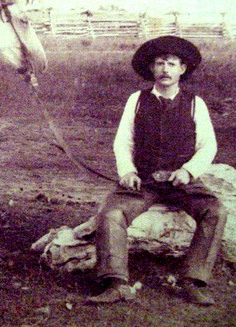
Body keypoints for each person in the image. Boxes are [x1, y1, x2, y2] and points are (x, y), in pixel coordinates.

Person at [87, 36, 227, 306]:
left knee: (215, 210)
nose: (165, 69)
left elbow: (208, 146)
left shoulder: (196, 103)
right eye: (160, 63)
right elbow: (123, 141)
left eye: (171, 64)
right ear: (151, 69)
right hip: (144, 180)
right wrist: (127, 171)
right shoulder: (136, 101)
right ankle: (115, 282)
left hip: (182, 181)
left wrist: (188, 171)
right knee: (111, 212)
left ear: (182, 69)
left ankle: (192, 281)